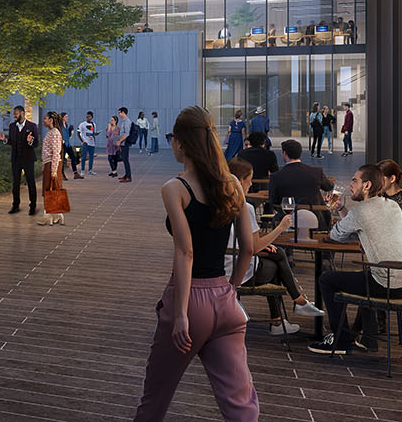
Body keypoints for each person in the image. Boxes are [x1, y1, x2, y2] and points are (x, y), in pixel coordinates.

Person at [130, 107, 260, 422]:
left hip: (190, 299)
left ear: (181, 144)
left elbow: (185, 252)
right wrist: (232, 289)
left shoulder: (175, 188)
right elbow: (248, 248)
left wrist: (180, 315)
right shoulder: (232, 183)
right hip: (226, 301)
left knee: (155, 399)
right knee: (241, 405)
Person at [310, 164, 402, 355]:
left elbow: (336, 235)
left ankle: (340, 340)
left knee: (327, 280)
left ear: (366, 185)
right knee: (364, 277)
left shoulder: (361, 211)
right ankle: (369, 338)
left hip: (386, 283)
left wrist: (337, 212)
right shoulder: (393, 206)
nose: (350, 185)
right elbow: (362, 231)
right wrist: (343, 209)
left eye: (354, 180)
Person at [226, 158, 326, 334]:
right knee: (277, 264)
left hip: (220, 268)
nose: (251, 183)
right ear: (240, 180)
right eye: (250, 178)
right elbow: (253, 247)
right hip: (239, 271)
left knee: (277, 254)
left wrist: (261, 246)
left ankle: (283, 317)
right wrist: (281, 228)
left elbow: (236, 239)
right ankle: (292, 307)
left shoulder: (217, 203)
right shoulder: (245, 207)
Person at [266, 139, 331, 227]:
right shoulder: (316, 172)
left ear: (284, 153)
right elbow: (329, 187)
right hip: (317, 221)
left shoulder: (276, 176)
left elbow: (273, 201)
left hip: (288, 222)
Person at [7, 105, 39, 215]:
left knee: (30, 182)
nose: (14, 116)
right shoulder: (12, 126)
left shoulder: (32, 126)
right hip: (16, 159)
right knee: (15, 183)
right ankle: (15, 205)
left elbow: (36, 144)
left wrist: (30, 141)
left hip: (28, 159)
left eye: (16, 113)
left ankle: (33, 206)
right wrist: (5, 140)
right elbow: (11, 141)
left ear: (23, 113)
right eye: (14, 114)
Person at [40, 111, 69, 226]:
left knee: (50, 190)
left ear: (51, 120)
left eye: (45, 119)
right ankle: (57, 215)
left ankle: (48, 216)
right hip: (49, 163)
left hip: (52, 164)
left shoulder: (55, 133)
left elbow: (56, 153)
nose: (44, 121)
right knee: (53, 189)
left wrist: (53, 170)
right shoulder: (51, 132)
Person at [105, 112, 126, 183]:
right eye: (111, 120)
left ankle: (114, 171)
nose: (111, 121)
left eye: (112, 120)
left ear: (116, 121)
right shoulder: (109, 127)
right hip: (109, 145)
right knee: (109, 158)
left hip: (115, 145)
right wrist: (109, 128)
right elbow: (107, 135)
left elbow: (119, 136)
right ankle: (114, 171)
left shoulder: (118, 129)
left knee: (114, 159)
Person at [76, 111, 98, 175]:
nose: (88, 117)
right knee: (83, 157)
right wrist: (82, 141)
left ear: (92, 117)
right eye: (87, 116)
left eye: (89, 116)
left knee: (91, 157)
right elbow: (78, 133)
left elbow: (93, 132)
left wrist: (95, 134)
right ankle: (82, 170)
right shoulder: (82, 124)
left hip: (92, 143)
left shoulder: (93, 124)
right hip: (85, 143)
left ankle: (90, 170)